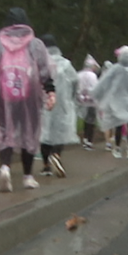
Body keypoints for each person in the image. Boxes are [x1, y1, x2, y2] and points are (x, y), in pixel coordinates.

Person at [0, 8, 55, 191]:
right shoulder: (36, 44)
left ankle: (5, 167)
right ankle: (28, 176)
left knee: (6, 132)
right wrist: (51, 92)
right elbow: (45, 70)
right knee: (29, 133)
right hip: (29, 96)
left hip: (1, 95)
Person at [39, 34, 78, 177]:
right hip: (62, 102)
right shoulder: (66, 64)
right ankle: (56, 154)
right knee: (60, 130)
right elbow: (74, 81)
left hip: (45, 101)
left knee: (45, 132)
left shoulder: (40, 63)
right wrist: (71, 97)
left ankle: (46, 166)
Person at [76, 55, 100, 149]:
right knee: (91, 121)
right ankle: (89, 141)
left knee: (85, 120)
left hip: (81, 100)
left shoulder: (79, 74)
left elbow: (77, 88)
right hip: (91, 102)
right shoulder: (92, 76)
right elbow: (95, 88)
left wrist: (80, 97)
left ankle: (85, 138)